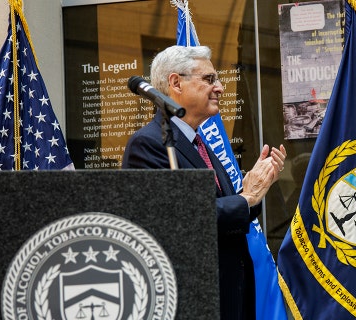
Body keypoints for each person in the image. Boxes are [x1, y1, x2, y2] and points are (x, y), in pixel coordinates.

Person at [122, 45, 286, 320]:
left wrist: (252, 191)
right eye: (209, 79)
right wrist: (246, 198)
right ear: (175, 83)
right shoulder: (149, 144)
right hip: (193, 298)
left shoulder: (198, 143)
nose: (220, 88)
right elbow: (178, 218)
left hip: (228, 294)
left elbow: (216, 211)